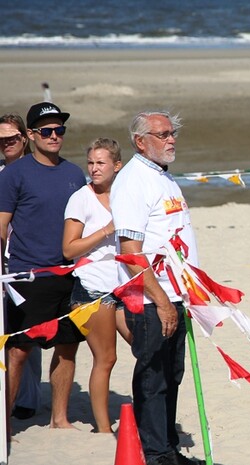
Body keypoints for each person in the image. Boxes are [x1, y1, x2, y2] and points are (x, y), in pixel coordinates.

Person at [111, 111, 202, 465]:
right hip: (150, 300)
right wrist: (162, 302)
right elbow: (130, 252)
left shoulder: (162, 177)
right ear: (140, 141)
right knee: (153, 378)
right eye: (162, 134)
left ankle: (168, 449)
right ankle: (156, 454)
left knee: (172, 374)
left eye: (172, 133)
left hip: (177, 296)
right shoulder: (133, 180)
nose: (171, 140)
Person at [0, 102, 87, 428]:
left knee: (67, 347)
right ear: (32, 135)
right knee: (19, 352)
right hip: (27, 275)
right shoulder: (14, 174)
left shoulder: (73, 173)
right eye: (47, 131)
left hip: (68, 274)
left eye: (59, 130)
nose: (54, 136)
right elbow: (1, 227)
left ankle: (60, 419)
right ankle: (4, 423)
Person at [62, 138, 132, 433]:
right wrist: (106, 230)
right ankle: (103, 429)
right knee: (106, 358)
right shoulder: (81, 197)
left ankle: (147, 415)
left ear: (117, 166)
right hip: (91, 290)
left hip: (124, 286)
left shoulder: (125, 195)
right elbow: (68, 249)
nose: (94, 168)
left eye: (101, 163)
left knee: (144, 346)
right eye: (90, 162)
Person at [0, 113, 41, 420]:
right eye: (1, 141)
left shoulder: (38, 170)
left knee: (27, 335)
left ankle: (27, 400)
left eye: (11, 139)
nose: (6, 145)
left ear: (24, 138)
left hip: (28, 262)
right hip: (4, 258)